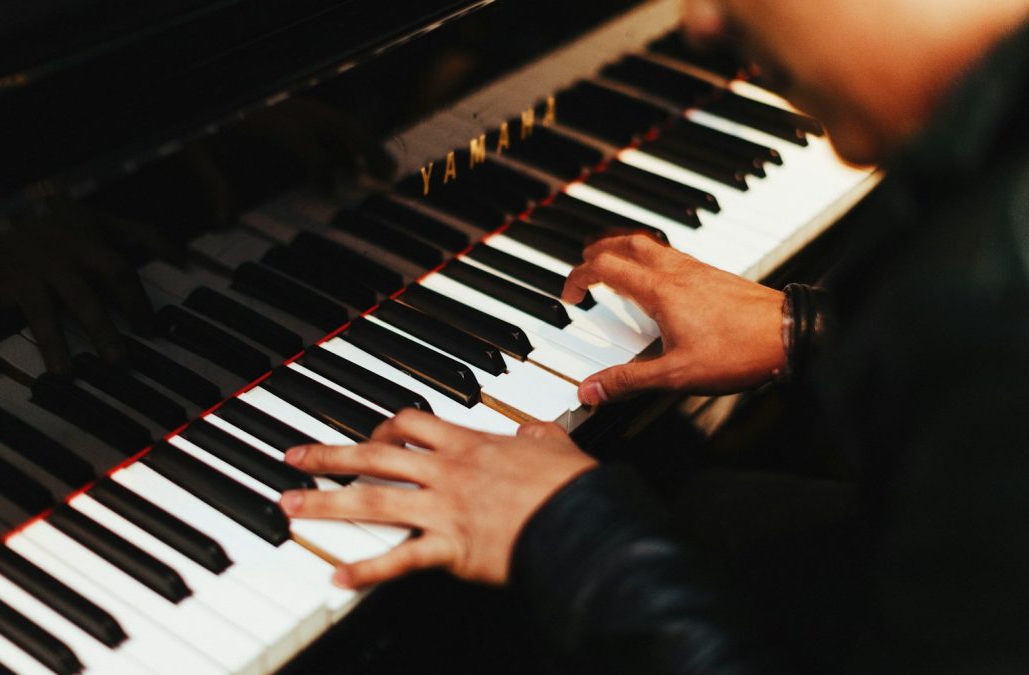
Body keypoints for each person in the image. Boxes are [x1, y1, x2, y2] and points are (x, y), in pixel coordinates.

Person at [278, 0, 1029, 671]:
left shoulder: (987, 286)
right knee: (699, 501)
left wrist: (575, 532)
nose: (700, 18)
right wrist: (804, 327)